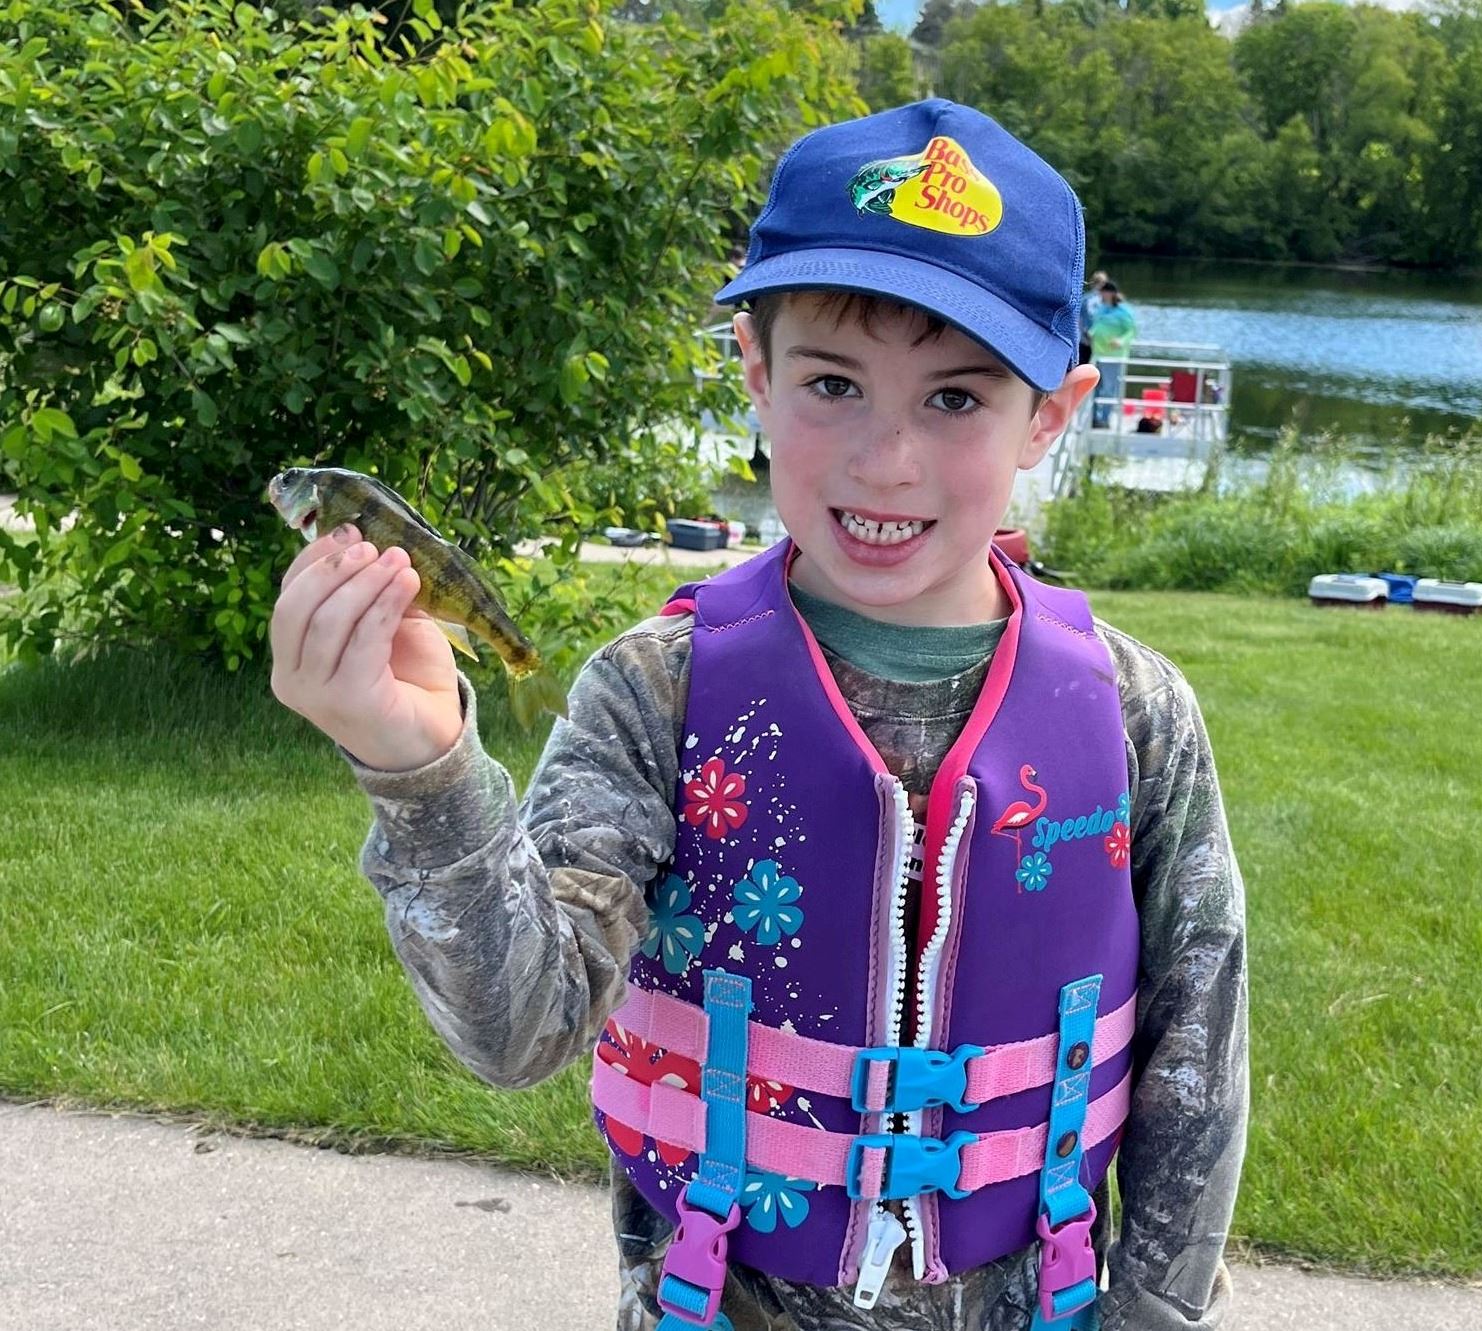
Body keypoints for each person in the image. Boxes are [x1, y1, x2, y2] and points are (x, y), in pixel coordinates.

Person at [268, 98, 1246, 1331]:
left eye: (955, 399)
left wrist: (1156, 1311)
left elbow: (1197, 1060)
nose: (885, 459)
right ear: (753, 374)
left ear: (1049, 412)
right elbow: (517, 1029)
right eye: (832, 383)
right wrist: (420, 771)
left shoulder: (1134, 711)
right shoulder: (656, 691)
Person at [1087, 281, 1137, 429]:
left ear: (1111, 293)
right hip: (1098, 354)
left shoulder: (1123, 311)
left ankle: (1104, 418)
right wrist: (1092, 332)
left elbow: (1131, 331)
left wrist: (1121, 341)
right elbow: (1097, 324)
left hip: (1114, 356)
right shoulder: (1101, 309)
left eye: (1104, 292)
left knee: (1109, 389)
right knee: (1095, 387)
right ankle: (1094, 417)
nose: (1101, 295)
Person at [1077, 268, 1109, 365]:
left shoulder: (1084, 299)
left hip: (1085, 338)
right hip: (1096, 339)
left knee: (1083, 364)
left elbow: (1079, 319)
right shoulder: (1103, 300)